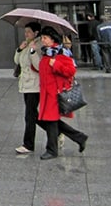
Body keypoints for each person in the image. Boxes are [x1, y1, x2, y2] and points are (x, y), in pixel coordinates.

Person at [36, 26, 88, 159]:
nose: (43, 40)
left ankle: (52, 150)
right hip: (47, 92)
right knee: (50, 120)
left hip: (55, 93)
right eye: (42, 38)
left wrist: (56, 65)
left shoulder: (60, 53)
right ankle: (79, 137)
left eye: (45, 38)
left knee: (51, 121)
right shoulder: (46, 53)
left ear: (52, 38)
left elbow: (71, 71)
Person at [14, 22, 42, 154]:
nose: (26, 34)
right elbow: (17, 61)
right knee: (34, 115)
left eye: (29, 32)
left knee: (30, 116)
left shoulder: (39, 44)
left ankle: (28, 144)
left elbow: (38, 66)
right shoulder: (26, 43)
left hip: (35, 85)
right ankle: (58, 131)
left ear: (36, 33)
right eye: (25, 32)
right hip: (25, 84)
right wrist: (20, 49)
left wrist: (32, 51)